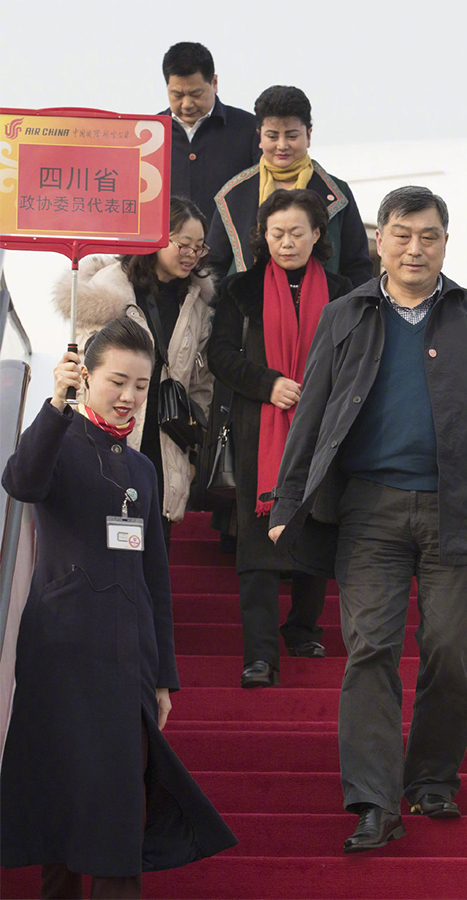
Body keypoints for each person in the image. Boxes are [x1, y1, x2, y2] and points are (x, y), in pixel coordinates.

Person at [267, 186, 467, 852]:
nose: (414, 248)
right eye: (401, 234)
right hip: (369, 510)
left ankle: (430, 780)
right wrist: (286, 500)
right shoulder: (345, 315)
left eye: (428, 236)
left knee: (450, 650)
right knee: (370, 649)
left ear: (445, 242)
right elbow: (313, 412)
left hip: (461, 509)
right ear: (380, 241)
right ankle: (373, 801)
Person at [0, 318, 237, 899]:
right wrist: (55, 405)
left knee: (118, 805)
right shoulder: (57, 440)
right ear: (86, 376)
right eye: (117, 381)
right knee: (59, 796)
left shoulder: (142, 469)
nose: (130, 396)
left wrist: (162, 677)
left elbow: (155, 577)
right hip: (59, 654)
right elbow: (22, 482)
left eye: (141, 384)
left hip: (125, 661)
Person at [208, 189, 351, 687]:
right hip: (258, 429)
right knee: (257, 540)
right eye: (276, 233)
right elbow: (219, 354)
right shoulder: (240, 290)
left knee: (315, 523)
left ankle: (303, 628)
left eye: (296, 232)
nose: (286, 242)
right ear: (262, 237)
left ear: (317, 234)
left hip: (323, 429)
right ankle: (260, 654)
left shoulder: (344, 292)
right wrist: (267, 383)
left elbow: (358, 357)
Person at [53, 196, 213, 551]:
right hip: (111, 433)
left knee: (154, 549)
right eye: (183, 244)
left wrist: (190, 450)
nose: (191, 254)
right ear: (156, 237)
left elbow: (201, 384)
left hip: (166, 440)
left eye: (199, 247)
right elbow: (86, 371)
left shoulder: (196, 302)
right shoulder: (108, 288)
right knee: (102, 544)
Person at [207, 85, 373, 287]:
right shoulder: (233, 194)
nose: (282, 145)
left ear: (308, 136)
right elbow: (213, 267)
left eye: (292, 136)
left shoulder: (337, 193)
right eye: (272, 136)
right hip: (249, 305)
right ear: (259, 136)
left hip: (325, 305)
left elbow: (357, 266)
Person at [160, 41, 260, 226]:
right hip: (167, 244)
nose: (187, 104)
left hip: (230, 243)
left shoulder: (249, 129)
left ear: (214, 83)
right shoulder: (150, 135)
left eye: (196, 94)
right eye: (177, 95)